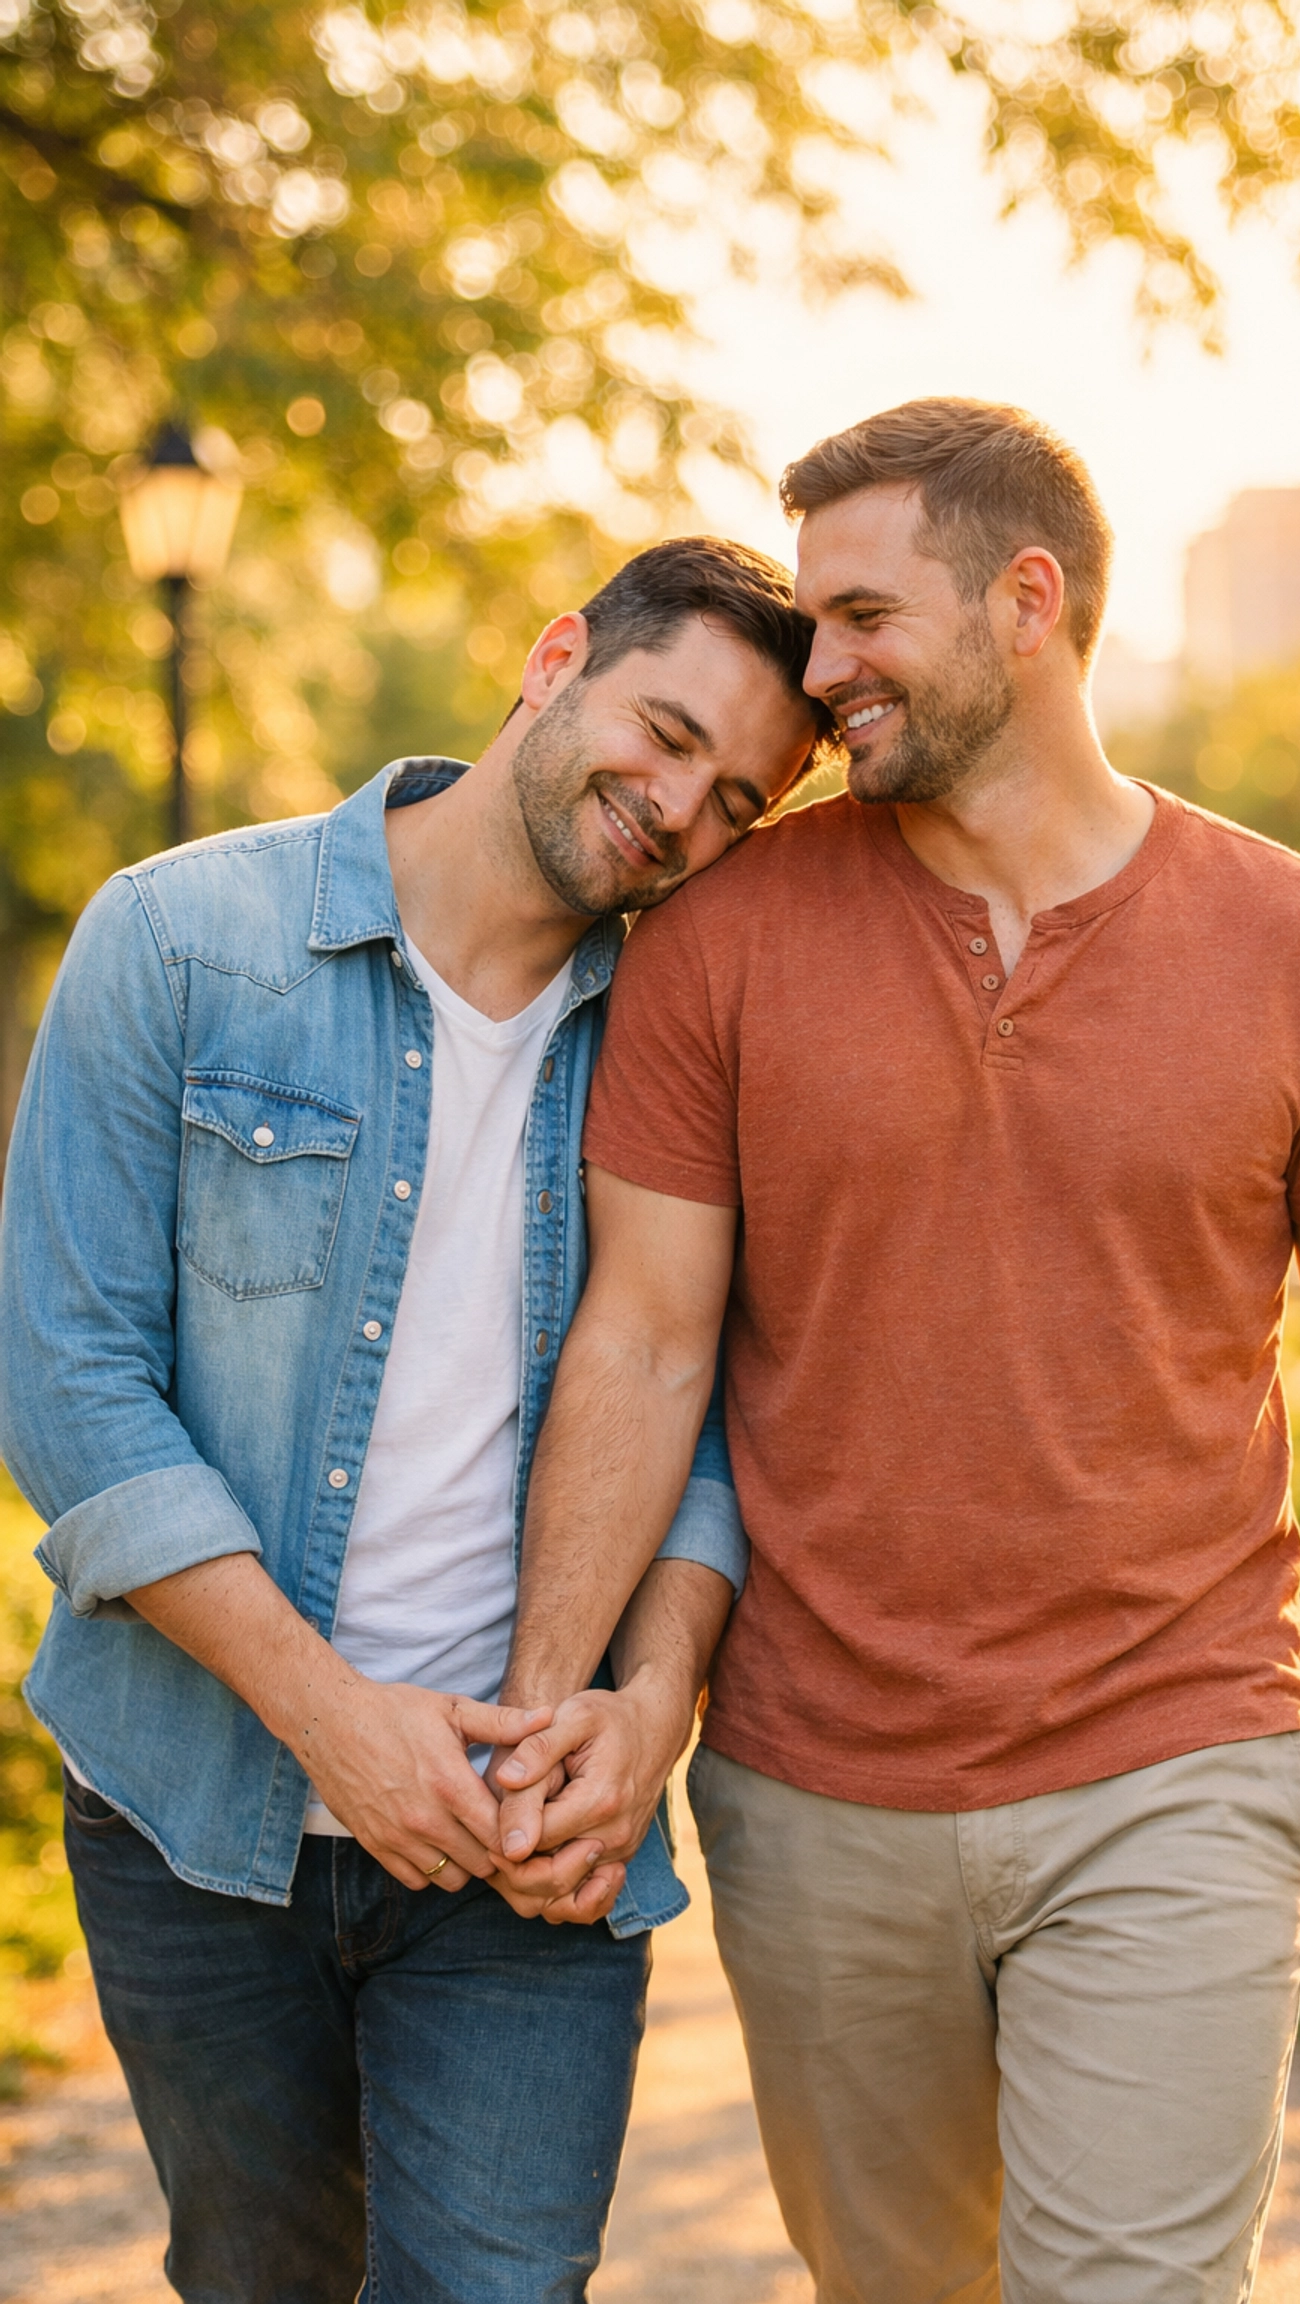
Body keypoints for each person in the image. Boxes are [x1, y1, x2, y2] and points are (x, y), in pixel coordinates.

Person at [490, 401, 1300, 2304]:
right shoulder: (722, 936)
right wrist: (566, 1703)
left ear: (1027, 600)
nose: (823, 668)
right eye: (813, 621)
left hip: (1173, 1756)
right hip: (813, 1783)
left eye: (864, 616)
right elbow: (639, 1343)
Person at [0, 536, 827, 2304]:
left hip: (527, 1840)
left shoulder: (679, 1042)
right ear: (556, 660)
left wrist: (653, 1704)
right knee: (262, 2276)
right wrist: (338, 1726)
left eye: (738, 799)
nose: (680, 809)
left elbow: (702, 1420)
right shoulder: (178, 939)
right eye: (666, 731)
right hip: (196, 1809)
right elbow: (67, 1382)